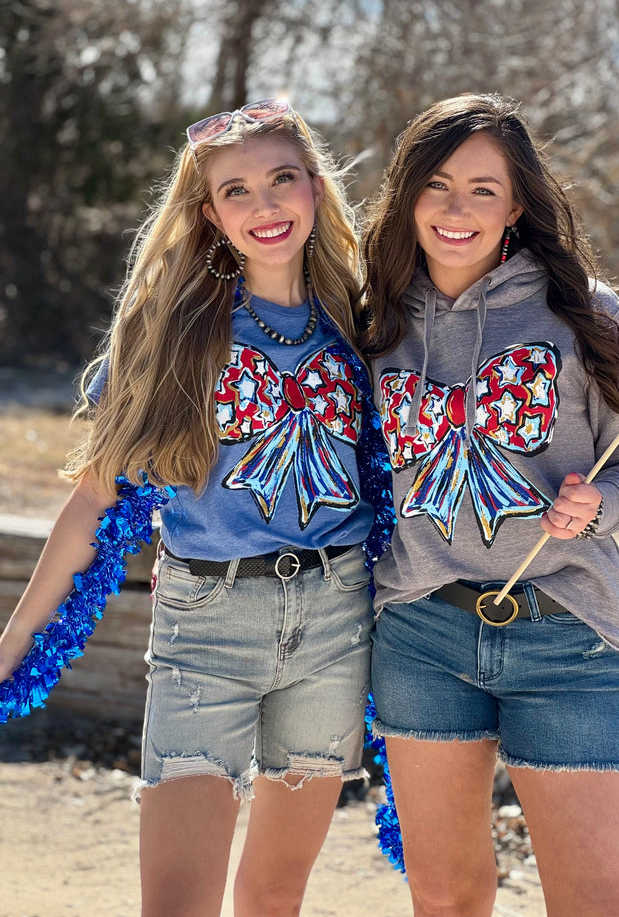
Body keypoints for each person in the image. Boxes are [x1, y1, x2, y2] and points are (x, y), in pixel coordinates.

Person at [0, 99, 392, 917]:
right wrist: (13, 642)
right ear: (209, 215)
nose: (265, 205)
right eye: (236, 190)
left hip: (334, 622)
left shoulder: (365, 325)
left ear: (316, 190)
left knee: (275, 895)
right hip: (206, 623)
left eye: (283, 179)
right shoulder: (168, 331)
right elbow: (93, 500)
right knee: (177, 902)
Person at [361, 93, 619, 917]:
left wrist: (600, 502)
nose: (456, 209)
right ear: (406, 196)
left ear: (518, 204)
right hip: (421, 633)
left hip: (568, 631)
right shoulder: (373, 321)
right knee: (448, 897)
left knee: (600, 901)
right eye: (437, 184)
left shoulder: (587, 314)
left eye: (483, 189)